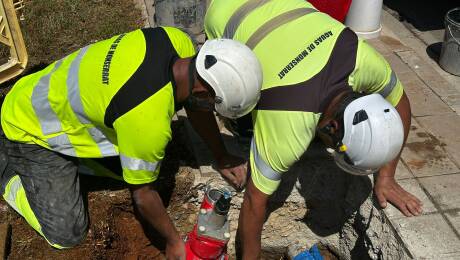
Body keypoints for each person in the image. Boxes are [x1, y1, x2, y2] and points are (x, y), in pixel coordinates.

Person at [0, 26, 262, 259]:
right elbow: (143, 195)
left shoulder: (175, 41)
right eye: (213, 105)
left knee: (135, 167)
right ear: (202, 91)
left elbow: (196, 106)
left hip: (44, 93)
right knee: (66, 234)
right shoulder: (147, 123)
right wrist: (173, 243)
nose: (211, 111)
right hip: (29, 127)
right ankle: (6, 173)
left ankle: (76, 161)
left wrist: (220, 154)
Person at [203, 0, 423, 258]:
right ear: (331, 126)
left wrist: (385, 177)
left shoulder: (363, 61)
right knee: (237, 104)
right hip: (225, 13)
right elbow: (254, 203)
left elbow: (400, 102)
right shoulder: (286, 125)